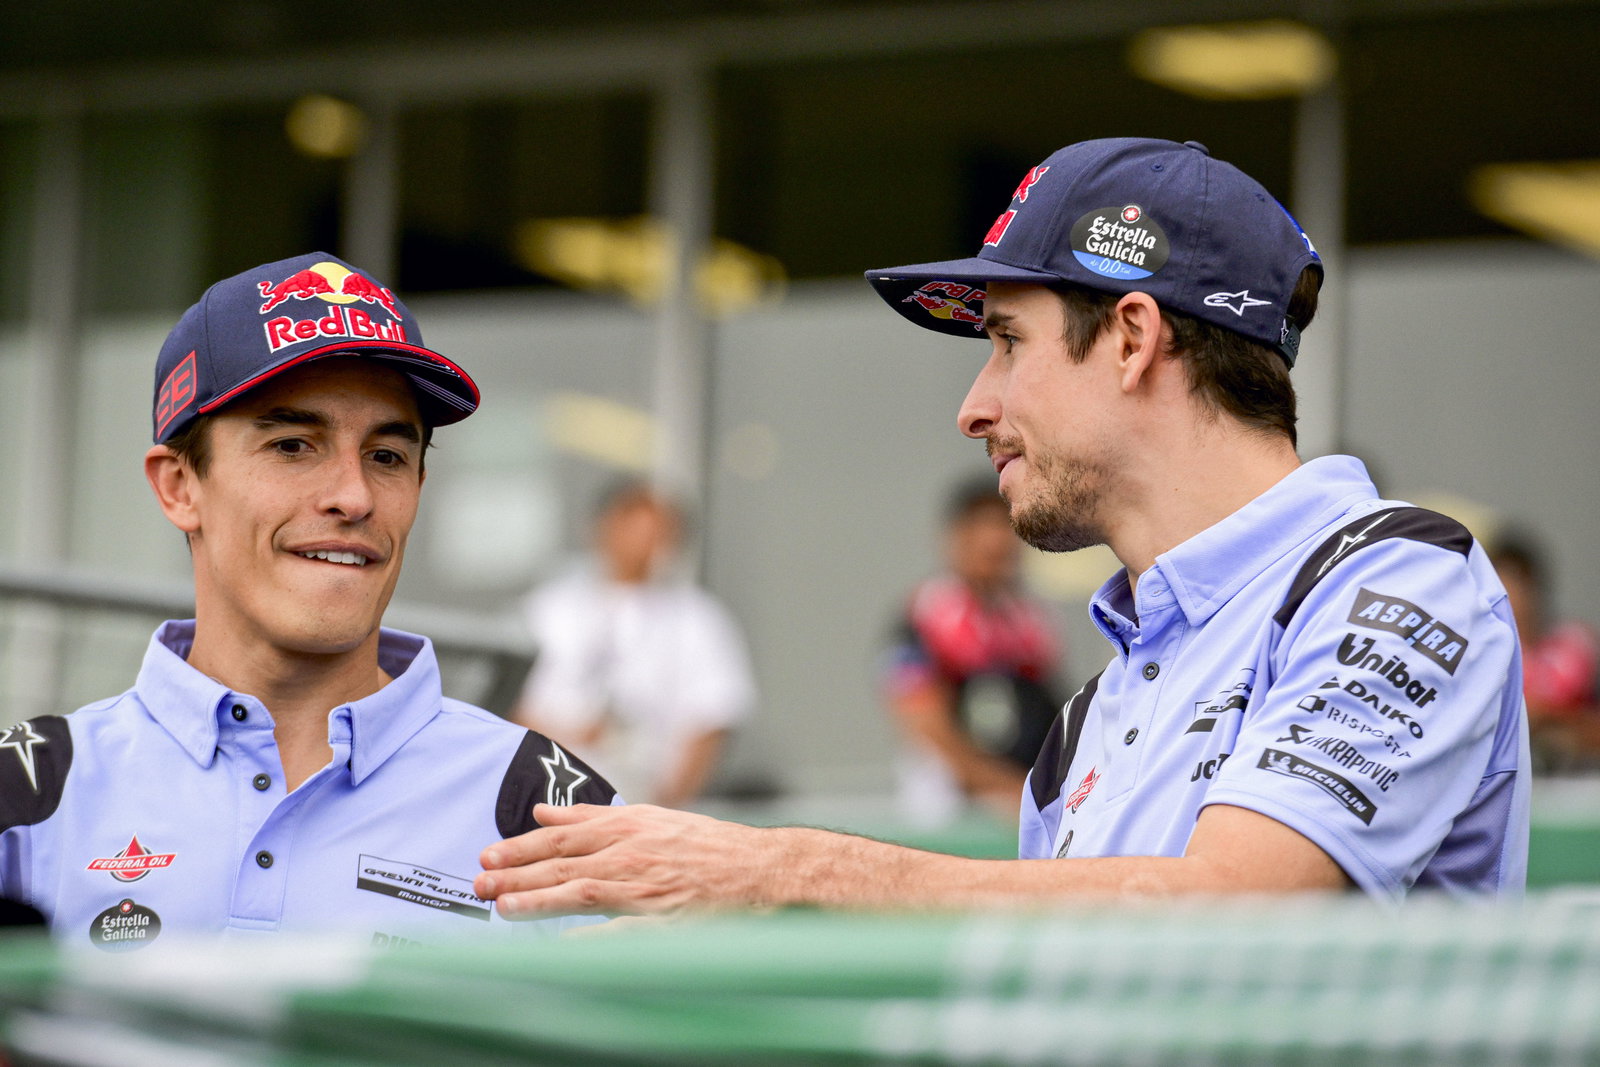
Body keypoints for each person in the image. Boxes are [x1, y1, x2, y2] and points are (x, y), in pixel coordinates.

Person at [474, 137, 1529, 914]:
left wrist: (781, 871)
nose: (973, 406)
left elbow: (1235, 910)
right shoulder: (1085, 721)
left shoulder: (1396, 575)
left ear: (1130, 335)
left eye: (1007, 342)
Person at [0, 253, 618, 949]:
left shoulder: (545, 809)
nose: (353, 496)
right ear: (179, 486)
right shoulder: (27, 792)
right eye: (293, 444)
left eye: (387, 455)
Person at [513, 480, 756, 808]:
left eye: (657, 533)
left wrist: (671, 805)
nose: (643, 543)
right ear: (602, 528)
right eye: (631, 528)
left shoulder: (698, 619)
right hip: (550, 799)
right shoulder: (546, 610)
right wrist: (567, 741)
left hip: (651, 803)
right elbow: (513, 704)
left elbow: (713, 715)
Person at [884, 478, 1064, 825]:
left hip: (1022, 799)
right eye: (982, 535)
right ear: (956, 539)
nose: (996, 545)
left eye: (1005, 532)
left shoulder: (1032, 621)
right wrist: (1004, 788)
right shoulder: (924, 616)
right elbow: (923, 723)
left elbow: (1051, 714)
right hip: (948, 804)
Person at [1490, 529, 1600, 769]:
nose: (1508, 596)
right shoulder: (1485, 656)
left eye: (1515, 583)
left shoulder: (1575, 643)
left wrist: (1548, 717)